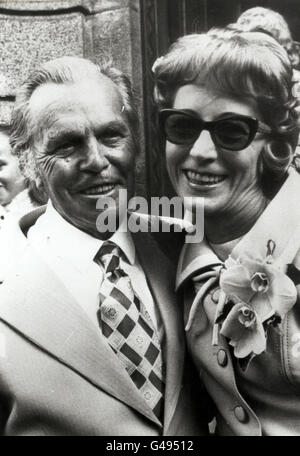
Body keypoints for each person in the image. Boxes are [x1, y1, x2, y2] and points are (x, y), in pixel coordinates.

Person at [0, 56, 209, 436]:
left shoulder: (186, 243)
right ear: (29, 163)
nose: (97, 160)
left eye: (112, 135)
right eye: (67, 145)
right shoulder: (8, 277)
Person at [153, 27, 300, 435]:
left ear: (276, 145)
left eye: (232, 131)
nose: (199, 153)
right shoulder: (167, 247)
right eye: (183, 127)